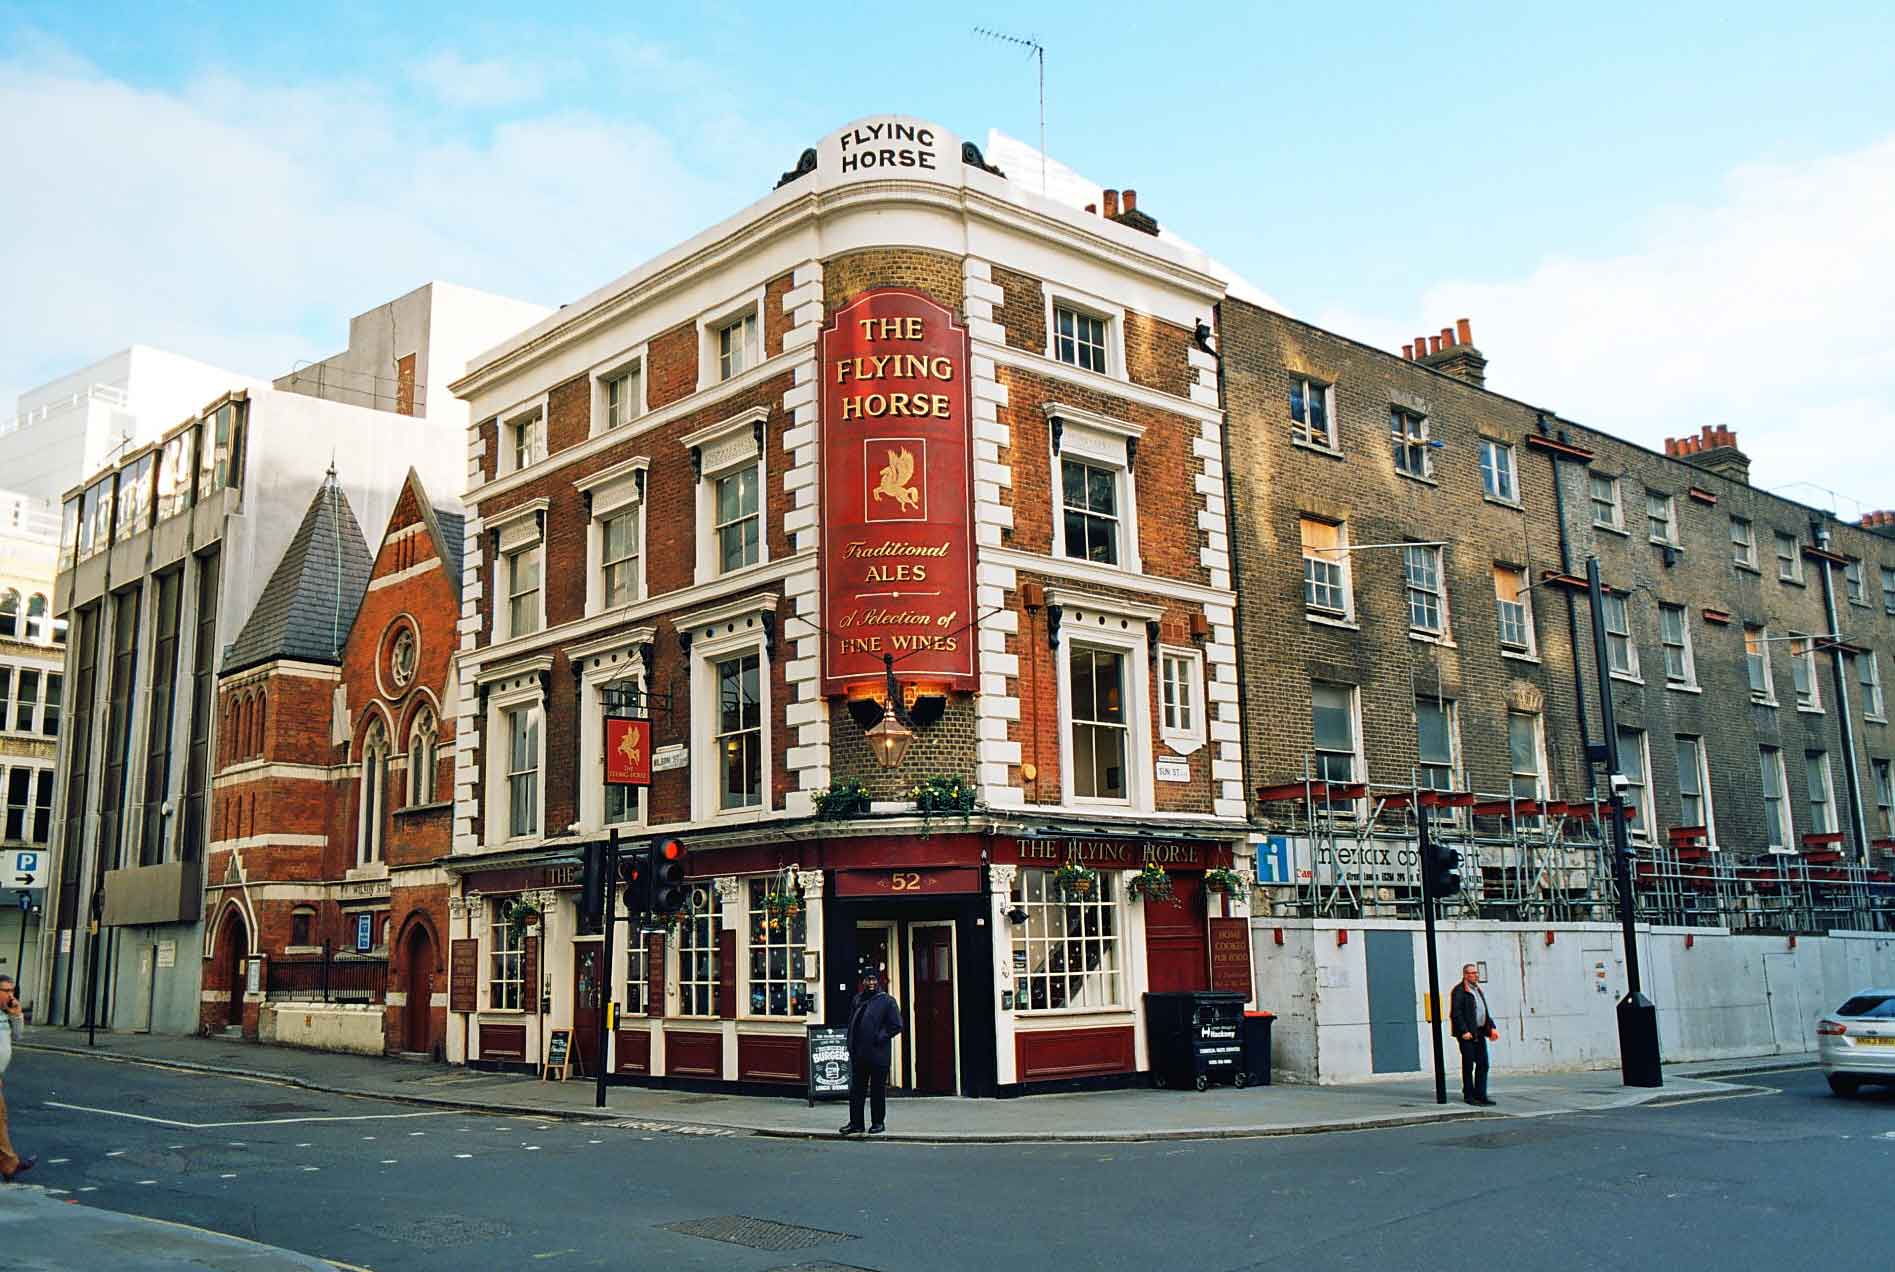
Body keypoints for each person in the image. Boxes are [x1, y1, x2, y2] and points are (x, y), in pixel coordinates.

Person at [840, 971, 903, 1136]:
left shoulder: (887, 1001)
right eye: (868, 980)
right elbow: (852, 1022)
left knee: (877, 1091)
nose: (871, 983)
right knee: (856, 1091)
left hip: (878, 1055)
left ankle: (878, 1123)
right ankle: (856, 1123)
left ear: (879, 981)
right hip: (859, 1053)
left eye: (874, 979)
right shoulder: (857, 999)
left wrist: (878, 1037)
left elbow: (896, 1025)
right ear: (863, 981)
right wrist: (851, 1043)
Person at [0, 974, 35, 1182]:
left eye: (12, 991)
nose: (10, 995)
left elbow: (18, 1036)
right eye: (6, 991)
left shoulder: (4, 1015)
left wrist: (17, 1015)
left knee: (1, 1119)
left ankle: (9, 1165)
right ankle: (10, 1165)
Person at [1449, 963, 1498, 1107]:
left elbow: (1483, 1012)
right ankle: (1469, 1095)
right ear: (1465, 975)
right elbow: (1456, 1013)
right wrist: (1464, 1031)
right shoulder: (1459, 991)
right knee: (1468, 1065)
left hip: (1480, 1032)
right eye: (1472, 973)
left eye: (1476, 973)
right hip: (1468, 1034)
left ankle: (1481, 1094)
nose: (1476, 975)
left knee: (1483, 1064)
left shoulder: (1477, 990)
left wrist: (1492, 1028)